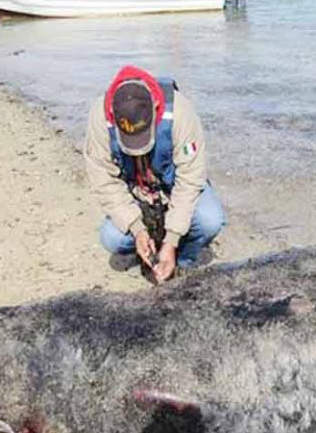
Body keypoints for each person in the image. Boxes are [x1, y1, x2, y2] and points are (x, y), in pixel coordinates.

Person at [85, 65, 224, 283]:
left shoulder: (180, 113)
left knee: (210, 221)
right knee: (112, 239)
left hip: (175, 187)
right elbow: (105, 181)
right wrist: (137, 229)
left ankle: (181, 260)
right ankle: (146, 245)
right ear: (113, 116)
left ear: (156, 107)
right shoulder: (99, 118)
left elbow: (190, 179)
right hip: (137, 192)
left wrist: (172, 241)